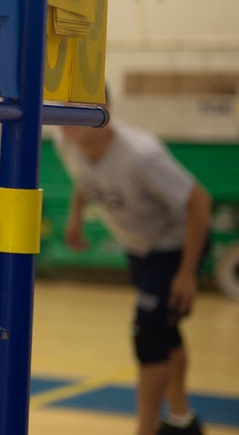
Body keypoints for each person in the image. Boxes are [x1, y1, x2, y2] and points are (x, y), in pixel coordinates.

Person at [55, 92, 212, 435]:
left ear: (103, 111)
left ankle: (145, 430)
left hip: (174, 245)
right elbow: (84, 177)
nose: (64, 121)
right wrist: (75, 217)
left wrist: (186, 274)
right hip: (138, 247)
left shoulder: (141, 155)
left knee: (148, 334)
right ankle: (183, 419)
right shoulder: (65, 138)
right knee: (165, 329)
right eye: (60, 111)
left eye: (74, 112)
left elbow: (200, 203)